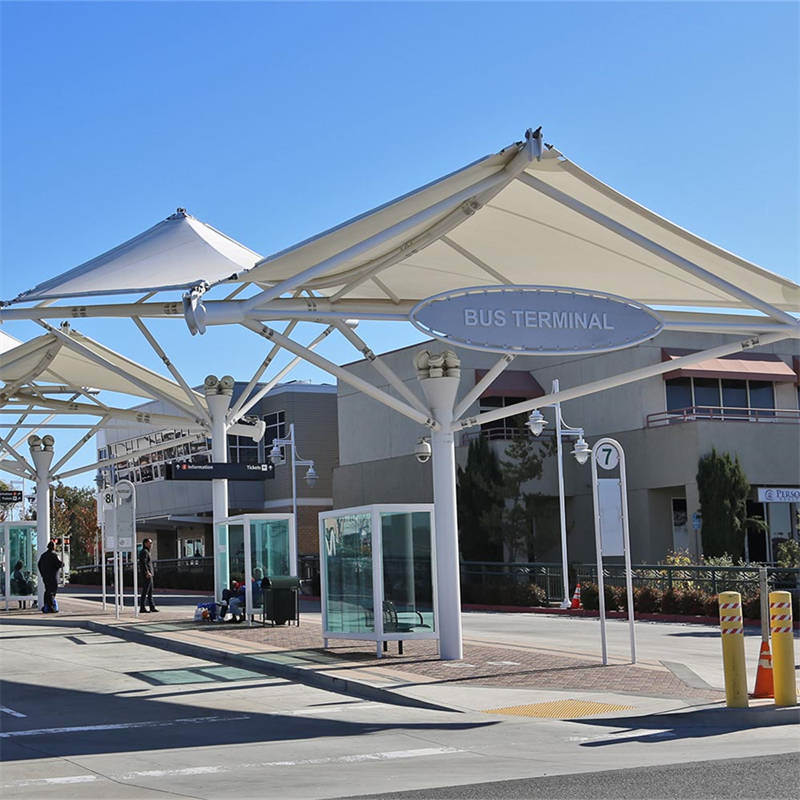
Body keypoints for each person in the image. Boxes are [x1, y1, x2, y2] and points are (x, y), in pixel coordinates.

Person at [37, 542, 63, 613]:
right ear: (53, 547)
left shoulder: (43, 555)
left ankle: (46, 606)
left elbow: (39, 564)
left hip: (45, 577)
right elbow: (59, 564)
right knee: (52, 591)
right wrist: (62, 564)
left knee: (47, 590)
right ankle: (51, 607)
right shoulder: (54, 555)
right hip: (53, 577)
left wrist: (42, 574)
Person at [138, 538, 158, 613]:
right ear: (145, 543)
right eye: (150, 543)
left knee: (150, 591)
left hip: (150, 574)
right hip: (147, 575)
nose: (151, 544)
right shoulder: (144, 552)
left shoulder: (147, 551)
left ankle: (152, 607)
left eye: (151, 543)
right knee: (145, 591)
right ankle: (142, 608)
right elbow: (143, 563)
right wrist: (147, 572)